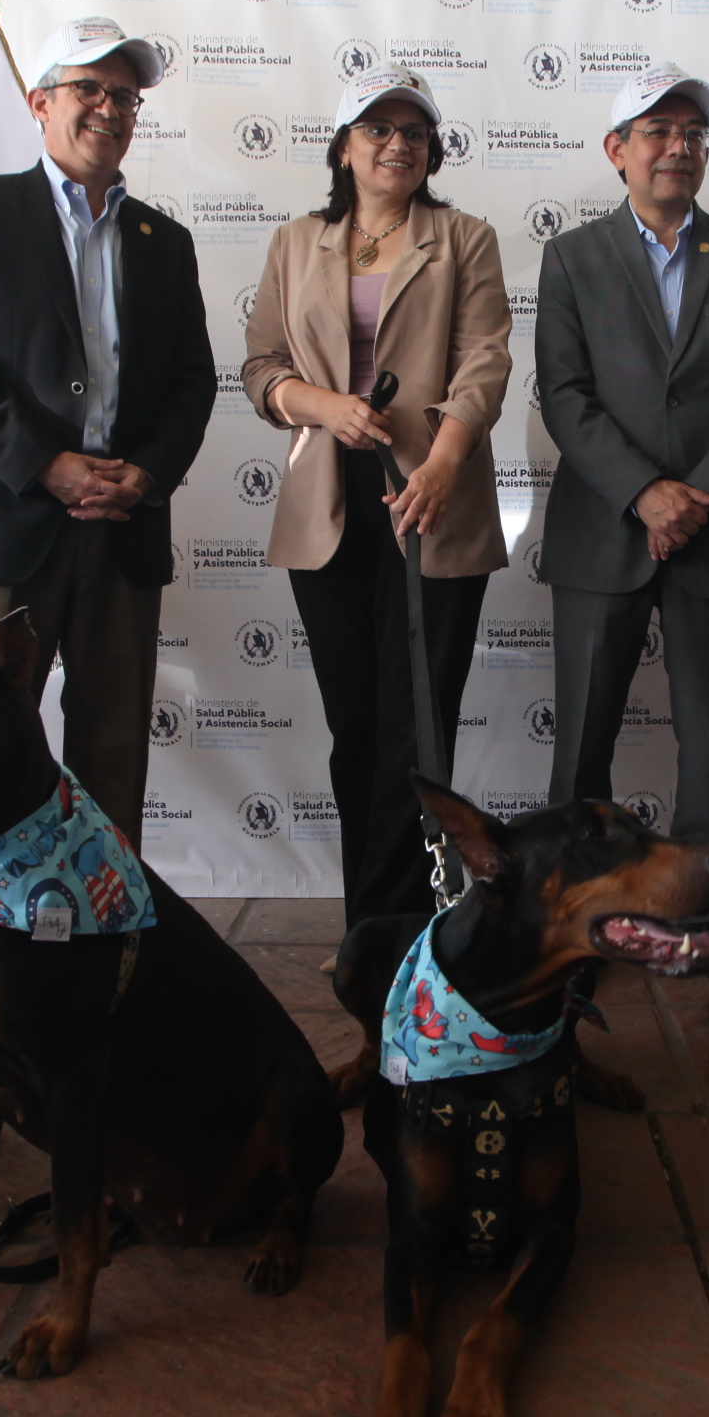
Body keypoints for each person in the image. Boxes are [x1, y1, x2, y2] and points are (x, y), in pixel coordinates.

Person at [0, 14, 215, 846]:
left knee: (113, 746)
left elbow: (194, 383)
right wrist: (46, 463)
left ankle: (105, 929)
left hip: (124, 525)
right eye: (89, 88)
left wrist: (145, 475)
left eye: (126, 96)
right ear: (39, 101)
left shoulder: (166, 241)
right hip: (2, 519)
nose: (110, 108)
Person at [242, 66, 512, 926]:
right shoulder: (295, 242)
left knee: (418, 734)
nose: (398, 144)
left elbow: (485, 363)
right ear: (344, 145)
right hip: (328, 504)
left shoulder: (464, 236)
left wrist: (440, 465)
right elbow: (260, 370)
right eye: (378, 128)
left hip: (436, 499)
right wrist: (327, 409)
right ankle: (370, 926)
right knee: (357, 731)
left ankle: (416, 929)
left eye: (415, 132)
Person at [536, 61, 709, 845]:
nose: (678, 147)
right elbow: (563, 395)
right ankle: (576, 920)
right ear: (616, 148)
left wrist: (699, 495)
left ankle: (703, 921)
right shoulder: (572, 257)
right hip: (599, 533)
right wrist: (646, 492)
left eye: (693, 133)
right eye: (658, 131)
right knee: (582, 744)